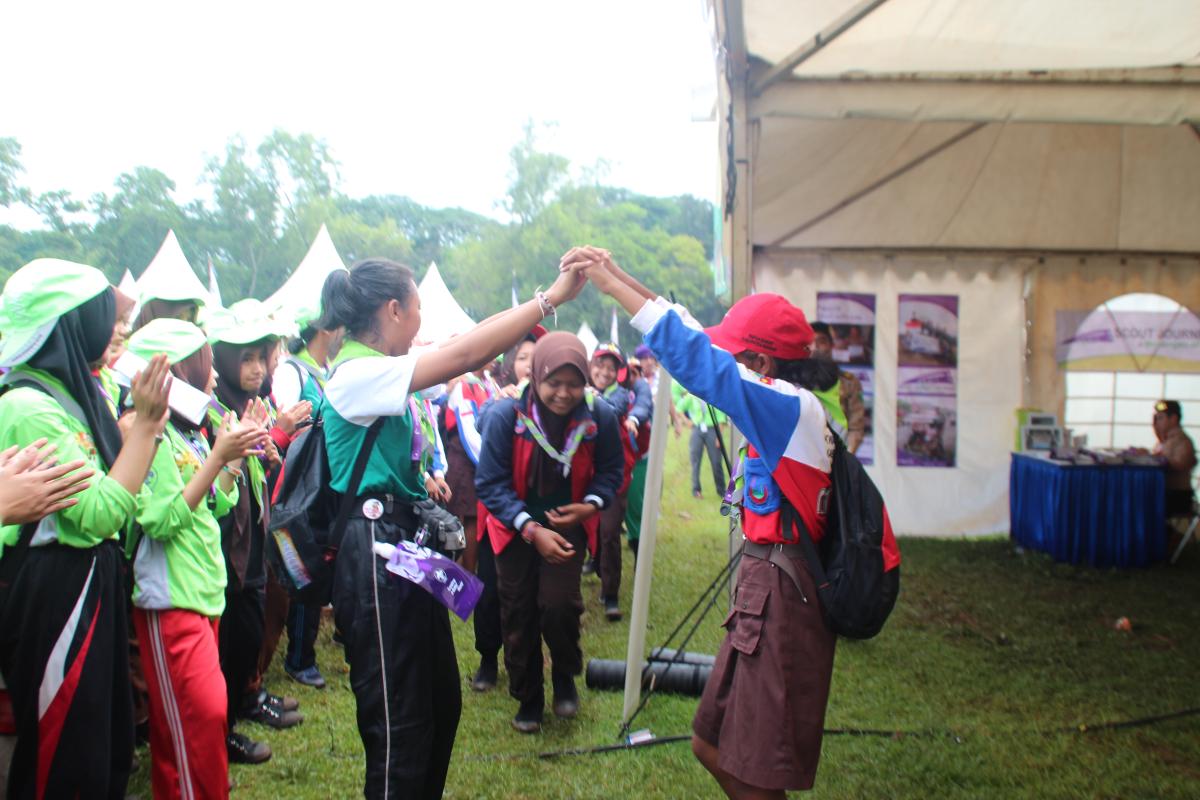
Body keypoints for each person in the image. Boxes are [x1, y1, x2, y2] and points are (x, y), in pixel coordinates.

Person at [571, 247, 900, 798]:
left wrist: (607, 285)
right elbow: (695, 335)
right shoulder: (787, 404)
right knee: (711, 744)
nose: (726, 359)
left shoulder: (788, 409)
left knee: (756, 771)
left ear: (763, 366)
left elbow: (702, 363)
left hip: (782, 599)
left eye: (738, 354)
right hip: (762, 590)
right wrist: (619, 274)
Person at [318, 256, 587, 797]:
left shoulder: (380, 365)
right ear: (394, 310)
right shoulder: (357, 374)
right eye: (419, 305)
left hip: (402, 549)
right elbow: (468, 354)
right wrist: (549, 299)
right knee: (401, 724)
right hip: (374, 555)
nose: (422, 317)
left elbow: (469, 340)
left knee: (440, 702)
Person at [0, 258, 171, 800]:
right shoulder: (30, 406)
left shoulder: (63, 395)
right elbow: (99, 511)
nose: (116, 329)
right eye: (106, 316)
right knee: (66, 754)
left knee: (103, 743)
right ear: (71, 324)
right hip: (59, 592)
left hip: (83, 583)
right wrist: (145, 427)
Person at [126, 318, 268, 800]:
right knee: (195, 718)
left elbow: (216, 503)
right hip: (169, 599)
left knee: (199, 721)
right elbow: (160, 520)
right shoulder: (143, 431)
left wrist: (230, 459)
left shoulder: (187, 429)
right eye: (205, 365)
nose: (213, 377)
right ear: (180, 369)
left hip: (202, 593)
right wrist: (216, 460)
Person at [475, 332, 624, 733]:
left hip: (565, 528)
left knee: (560, 606)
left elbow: (612, 470)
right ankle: (528, 697)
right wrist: (528, 526)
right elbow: (489, 483)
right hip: (515, 530)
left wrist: (591, 504)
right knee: (518, 612)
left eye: (573, 383)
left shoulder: (600, 416)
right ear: (536, 375)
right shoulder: (507, 415)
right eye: (553, 383)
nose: (563, 393)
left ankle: (564, 677)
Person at [205, 306, 301, 765]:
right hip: (224, 547)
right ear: (220, 359)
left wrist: (268, 450)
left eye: (261, 357)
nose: (257, 368)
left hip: (252, 537)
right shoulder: (209, 409)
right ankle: (222, 732)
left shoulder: (246, 405)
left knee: (249, 629)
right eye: (245, 358)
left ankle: (243, 704)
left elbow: (252, 470)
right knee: (232, 638)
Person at [270, 311, 343, 689]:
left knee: (322, 557)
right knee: (302, 559)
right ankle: (298, 657)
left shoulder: (328, 371)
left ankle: (306, 650)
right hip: (300, 482)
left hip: (327, 480)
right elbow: (289, 419)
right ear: (325, 329)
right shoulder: (292, 372)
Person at [469, 326, 542, 693]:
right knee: (490, 590)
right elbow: (482, 423)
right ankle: (487, 658)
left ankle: (534, 666)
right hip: (496, 513)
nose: (530, 366)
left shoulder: (557, 404)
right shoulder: (498, 402)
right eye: (524, 358)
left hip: (539, 514)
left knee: (530, 595)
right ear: (512, 365)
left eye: (537, 357)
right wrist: (506, 403)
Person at [587, 342, 649, 620]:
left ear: (619, 373)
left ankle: (611, 594)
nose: (605, 371)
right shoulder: (577, 391)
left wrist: (586, 398)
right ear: (591, 366)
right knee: (591, 532)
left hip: (614, 477)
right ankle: (597, 569)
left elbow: (610, 411)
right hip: (582, 476)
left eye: (612, 367)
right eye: (600, 365)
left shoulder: (621, 396)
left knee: (610, 532)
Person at [810, 322, 867, 454]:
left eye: (821, 342)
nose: (815, 347)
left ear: (831, 345)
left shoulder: (849, 382)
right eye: (810, 343)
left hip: (839, 454)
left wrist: (847, 460)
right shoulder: (795, 382)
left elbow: (856, 428)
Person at [674, 383, 728, 499]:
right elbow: (678, 408)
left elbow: (722, 418)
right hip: (697, 429)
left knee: (716, 461)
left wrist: (719, 436)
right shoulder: (691, 396)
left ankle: (722, 491)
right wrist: (686, 421)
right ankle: (696, 490)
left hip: (712, 430)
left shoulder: (714, 396)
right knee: (695, 460)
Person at [1152, 400, 1197, 519]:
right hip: (1167, 493)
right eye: (1156, 418)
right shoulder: (1164, 441)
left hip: (1177, 496)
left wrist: (1160, 460)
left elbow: (1181, 465)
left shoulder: (1183, 441)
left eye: (1160, 418)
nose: (1157, 422)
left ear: (1173, 419)